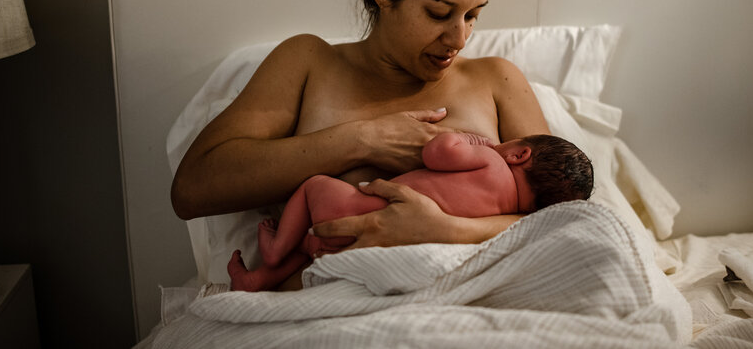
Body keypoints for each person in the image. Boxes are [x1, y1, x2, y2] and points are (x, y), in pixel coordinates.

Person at [171, 0, 552, 291]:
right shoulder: (307, 64)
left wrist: (444, 229)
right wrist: (363, 140)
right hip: (327, 317)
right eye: (439, 12)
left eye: (472, 15)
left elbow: (567, 217)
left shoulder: (496, 80)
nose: (459, 38)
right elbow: (193, 188)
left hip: (469, 302)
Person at [227, 132, 593, 292]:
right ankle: (257, 281)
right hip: (371, 252)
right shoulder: (502, 215)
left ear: (519, 154)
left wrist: (471, 141)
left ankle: (274, 253)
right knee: (312, 246)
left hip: (356, 208)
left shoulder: (492, 161)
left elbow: (436, 153)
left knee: (313, 186)